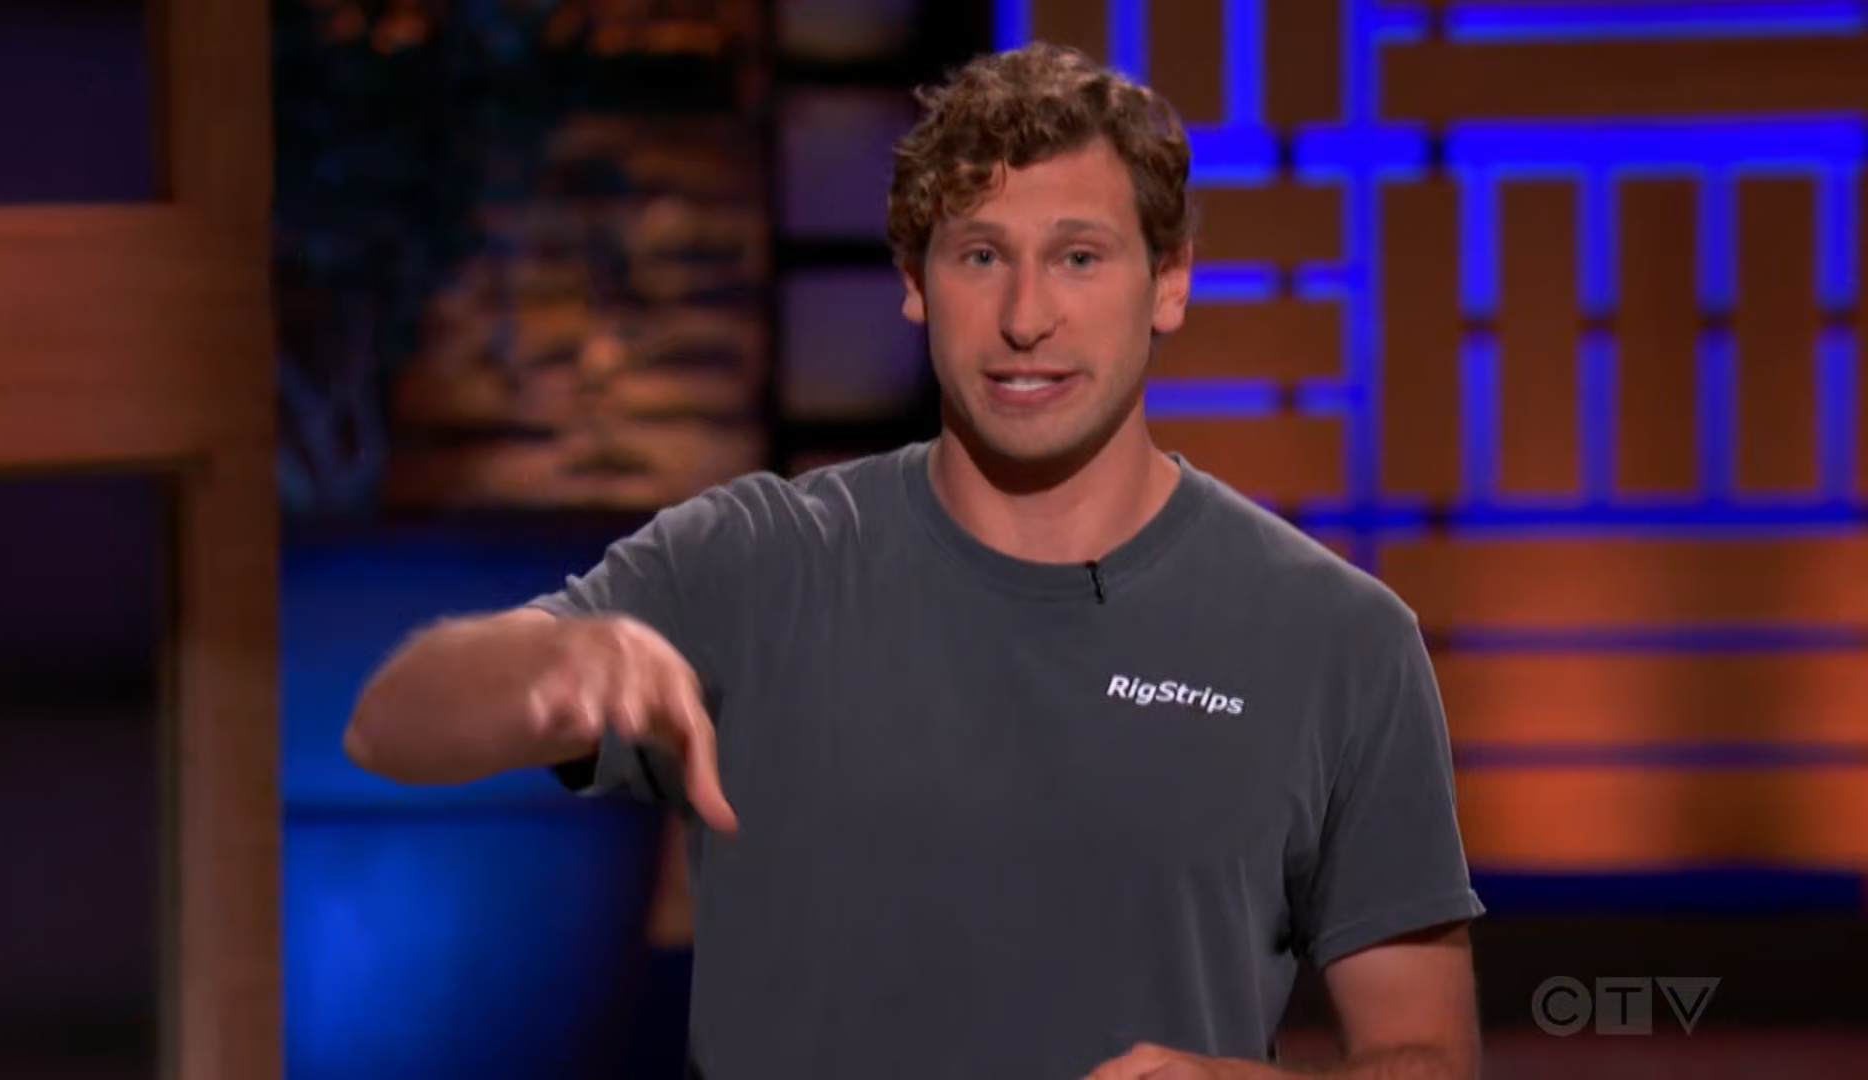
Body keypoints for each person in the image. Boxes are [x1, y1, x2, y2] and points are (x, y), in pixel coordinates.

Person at [345, 41, 1485, 1080]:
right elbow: (392, 724)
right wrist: (544, 665)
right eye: (981, 255)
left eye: (1079, 257)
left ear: (1171, 280)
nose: (1026, 317)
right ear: (914, 279)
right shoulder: (754, 566)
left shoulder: (1336, 640)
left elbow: (1429, 1055)